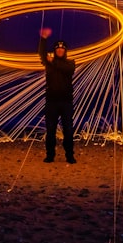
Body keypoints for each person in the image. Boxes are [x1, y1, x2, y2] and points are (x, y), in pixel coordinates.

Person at [38, 27, 76, 163]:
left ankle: (70, 155)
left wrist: (52, 61)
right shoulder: (49, 63)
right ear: (55, 50)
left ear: (65, 51)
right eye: (57, 48)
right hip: (51, 102)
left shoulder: (70, 63)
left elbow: (67, 69)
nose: (60, 50)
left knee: (68, 130)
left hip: (66, 102)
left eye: (62, 49)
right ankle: (50, 155)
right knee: (50, 130)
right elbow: (42, 53)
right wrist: (43, 39)